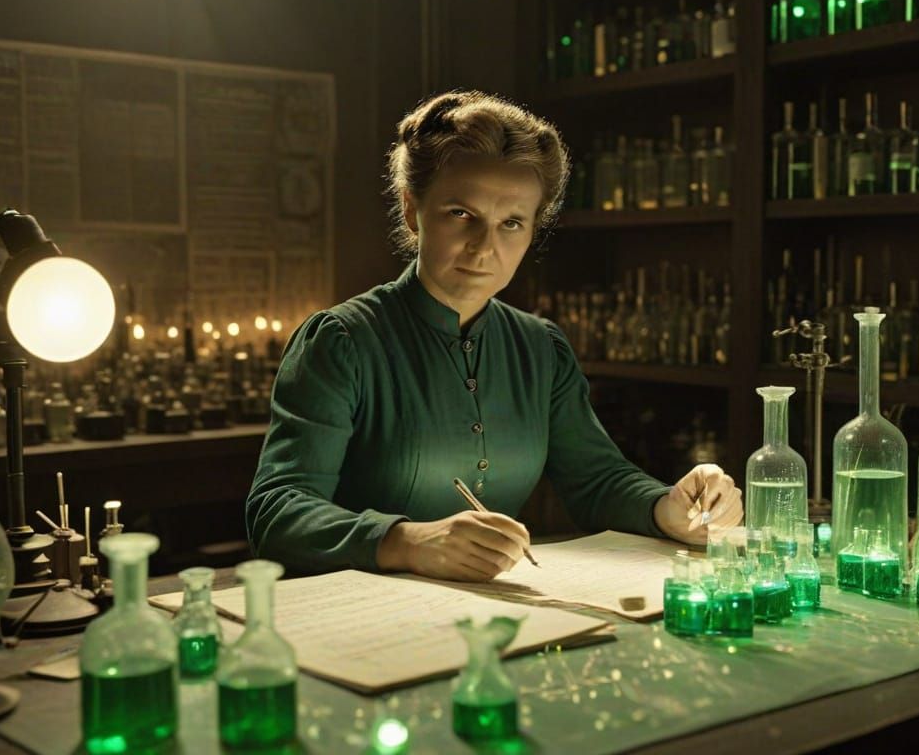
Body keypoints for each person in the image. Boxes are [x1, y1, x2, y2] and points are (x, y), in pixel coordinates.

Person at [246, 91, 743, 582]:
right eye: (461, 214)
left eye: (511, 223)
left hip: (492, 614)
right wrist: (408, 542)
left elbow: (597, 480)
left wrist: (669, 508)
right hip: (358, 626)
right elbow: (278, 510)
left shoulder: (540, 348)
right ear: (410, 211)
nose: (485, 247)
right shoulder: (342, 341)